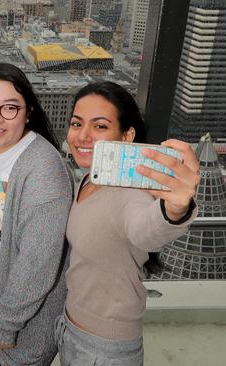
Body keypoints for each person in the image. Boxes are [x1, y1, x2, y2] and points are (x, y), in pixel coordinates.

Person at [56, 81, 199, 365]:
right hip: (70, 326)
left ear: (126, 136)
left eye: (100, 126)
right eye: (76, 123)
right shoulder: (88, 179)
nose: (82, 136)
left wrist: (174, 208)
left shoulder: (130, 193)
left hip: (105, 348)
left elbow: (145, 230)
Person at [0, 61, 72, 366]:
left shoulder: (43, 167)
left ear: (28, 111)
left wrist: (7, 321)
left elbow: (39, 260)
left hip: (22, 309)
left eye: (9, 108)